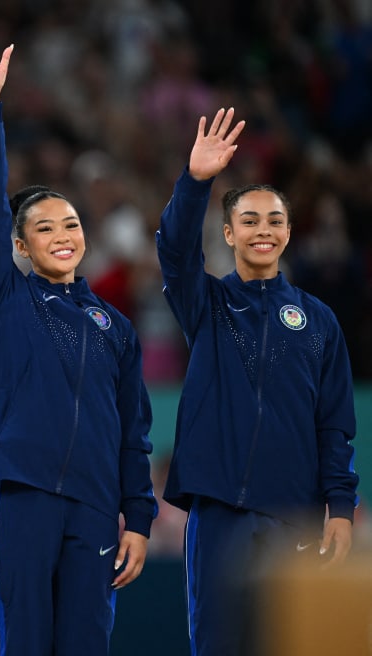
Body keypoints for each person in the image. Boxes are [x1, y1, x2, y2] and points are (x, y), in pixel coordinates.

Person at [0, 26, 157, 655]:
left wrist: (139, 519)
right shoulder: (7, 300)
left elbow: (132, 430)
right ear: (19, 246)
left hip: (94, 503)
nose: (62, 234)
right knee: (27, 642)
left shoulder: (113, 326)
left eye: (71, 222)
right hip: (21, 495)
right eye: (44, 227)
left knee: (88, 642)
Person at [156, 107, 359, 655]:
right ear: (228, 232)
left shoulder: (318, 320)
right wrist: (196, 181)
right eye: (249, 220)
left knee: (289, 645)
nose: (262, 230)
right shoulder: (209, 304)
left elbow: (335, 426)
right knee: (218, 645)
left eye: (273, 220)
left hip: (294, 516)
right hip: (220, 512)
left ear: (289, 232)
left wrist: (339, 510)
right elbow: (174, 253)